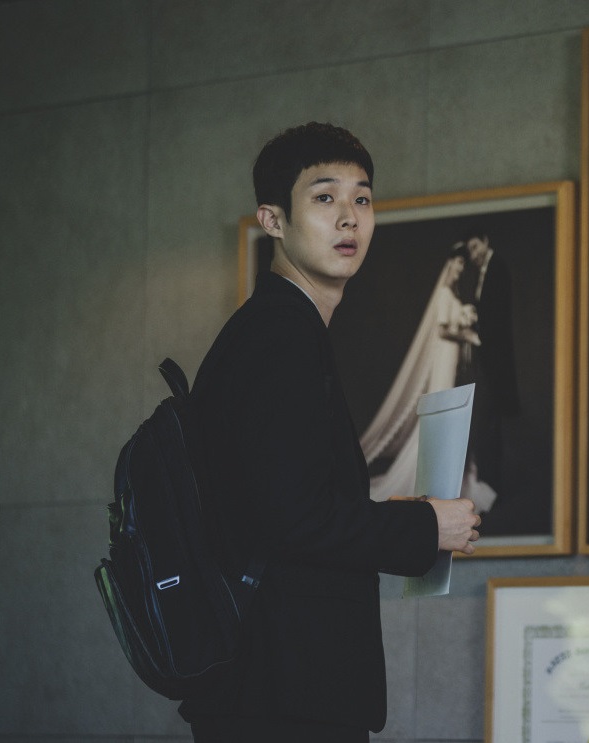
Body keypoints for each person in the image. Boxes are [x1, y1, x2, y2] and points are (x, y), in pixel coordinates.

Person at [179, 122, 481, 740]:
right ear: (273, 220)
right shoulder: (280, 336)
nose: (349, 217)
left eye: (361, 199)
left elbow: (285, 504)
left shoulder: (281, 329)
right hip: (280, 695)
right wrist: (427, 527)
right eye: (324, 197)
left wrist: (402, 517)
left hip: (275, 686)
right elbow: (295, 519)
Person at [358, 245, 496, 510]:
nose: (460, 268)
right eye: (457, 263)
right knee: (441, 416)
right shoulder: (444, 293)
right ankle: (428, 480)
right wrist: (467, 334)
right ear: (450, 264)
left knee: (449, 416)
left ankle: (448, 478)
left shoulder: (453, 293)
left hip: (452, 360)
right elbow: (442, 331)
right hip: (444, 359)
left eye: (462, 265)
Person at [456, 230, 519, 508]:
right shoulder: (485, 271)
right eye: (469, 251)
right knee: (486, 425)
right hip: (488, 363)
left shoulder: (497, 268)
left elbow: (497, 317)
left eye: (474, 247)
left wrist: (475, 333)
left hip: (496, 364)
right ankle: (489, 485)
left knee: (490, 425)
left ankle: (492, 488)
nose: (472, 255)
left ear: (485, 241)